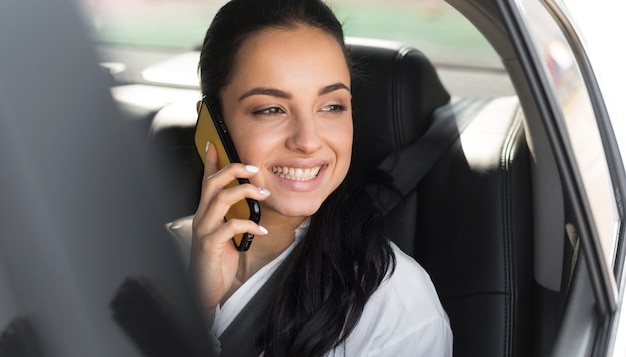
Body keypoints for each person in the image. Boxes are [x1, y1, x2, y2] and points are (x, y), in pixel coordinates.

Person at [190, 0, 453, 355]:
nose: (308, 141)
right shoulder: (150, 257)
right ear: (211, 124)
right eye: (271, 109)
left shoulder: (395, 305)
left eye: (332, 106)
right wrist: (196, 311)